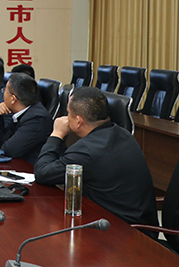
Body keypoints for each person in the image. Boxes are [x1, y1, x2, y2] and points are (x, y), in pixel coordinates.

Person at [34, 86, 158, 232]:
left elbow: (42, 173)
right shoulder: (123, 134)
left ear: (79, 121)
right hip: (137, 223)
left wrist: (57, 134)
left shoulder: (87, 151)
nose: (66, 119)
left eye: (68, 114)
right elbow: (64, 161)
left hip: (122, 231)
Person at [0, 73, 52, 164]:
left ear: (13, 99)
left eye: (4, 90)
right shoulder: (23, 111)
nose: (3, 93)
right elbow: (2, 140)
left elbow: (9, 150)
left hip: (30, 168)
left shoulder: (37, 119)